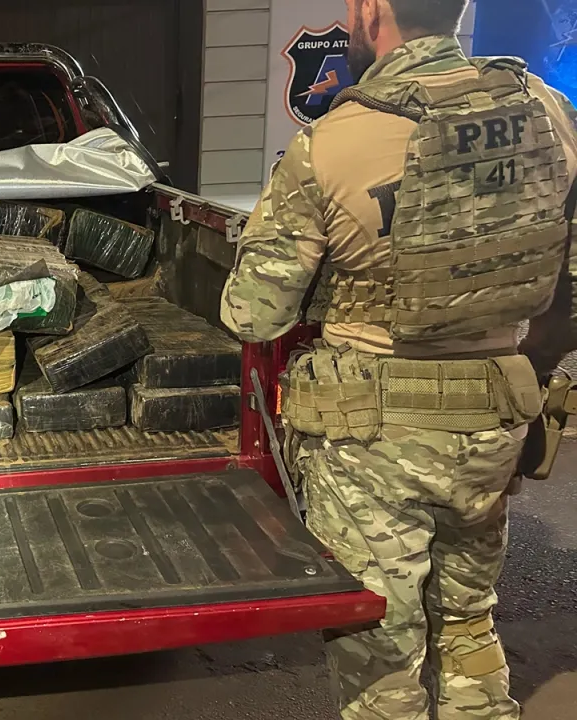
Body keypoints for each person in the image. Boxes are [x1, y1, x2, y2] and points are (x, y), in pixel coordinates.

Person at [221, 0, 577, 718]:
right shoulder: (548, 110)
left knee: (380, 645)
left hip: (372, 440)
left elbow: (254, 313)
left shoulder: (332, 143)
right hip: (495, 418)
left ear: (370, 9)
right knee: (469, 618)